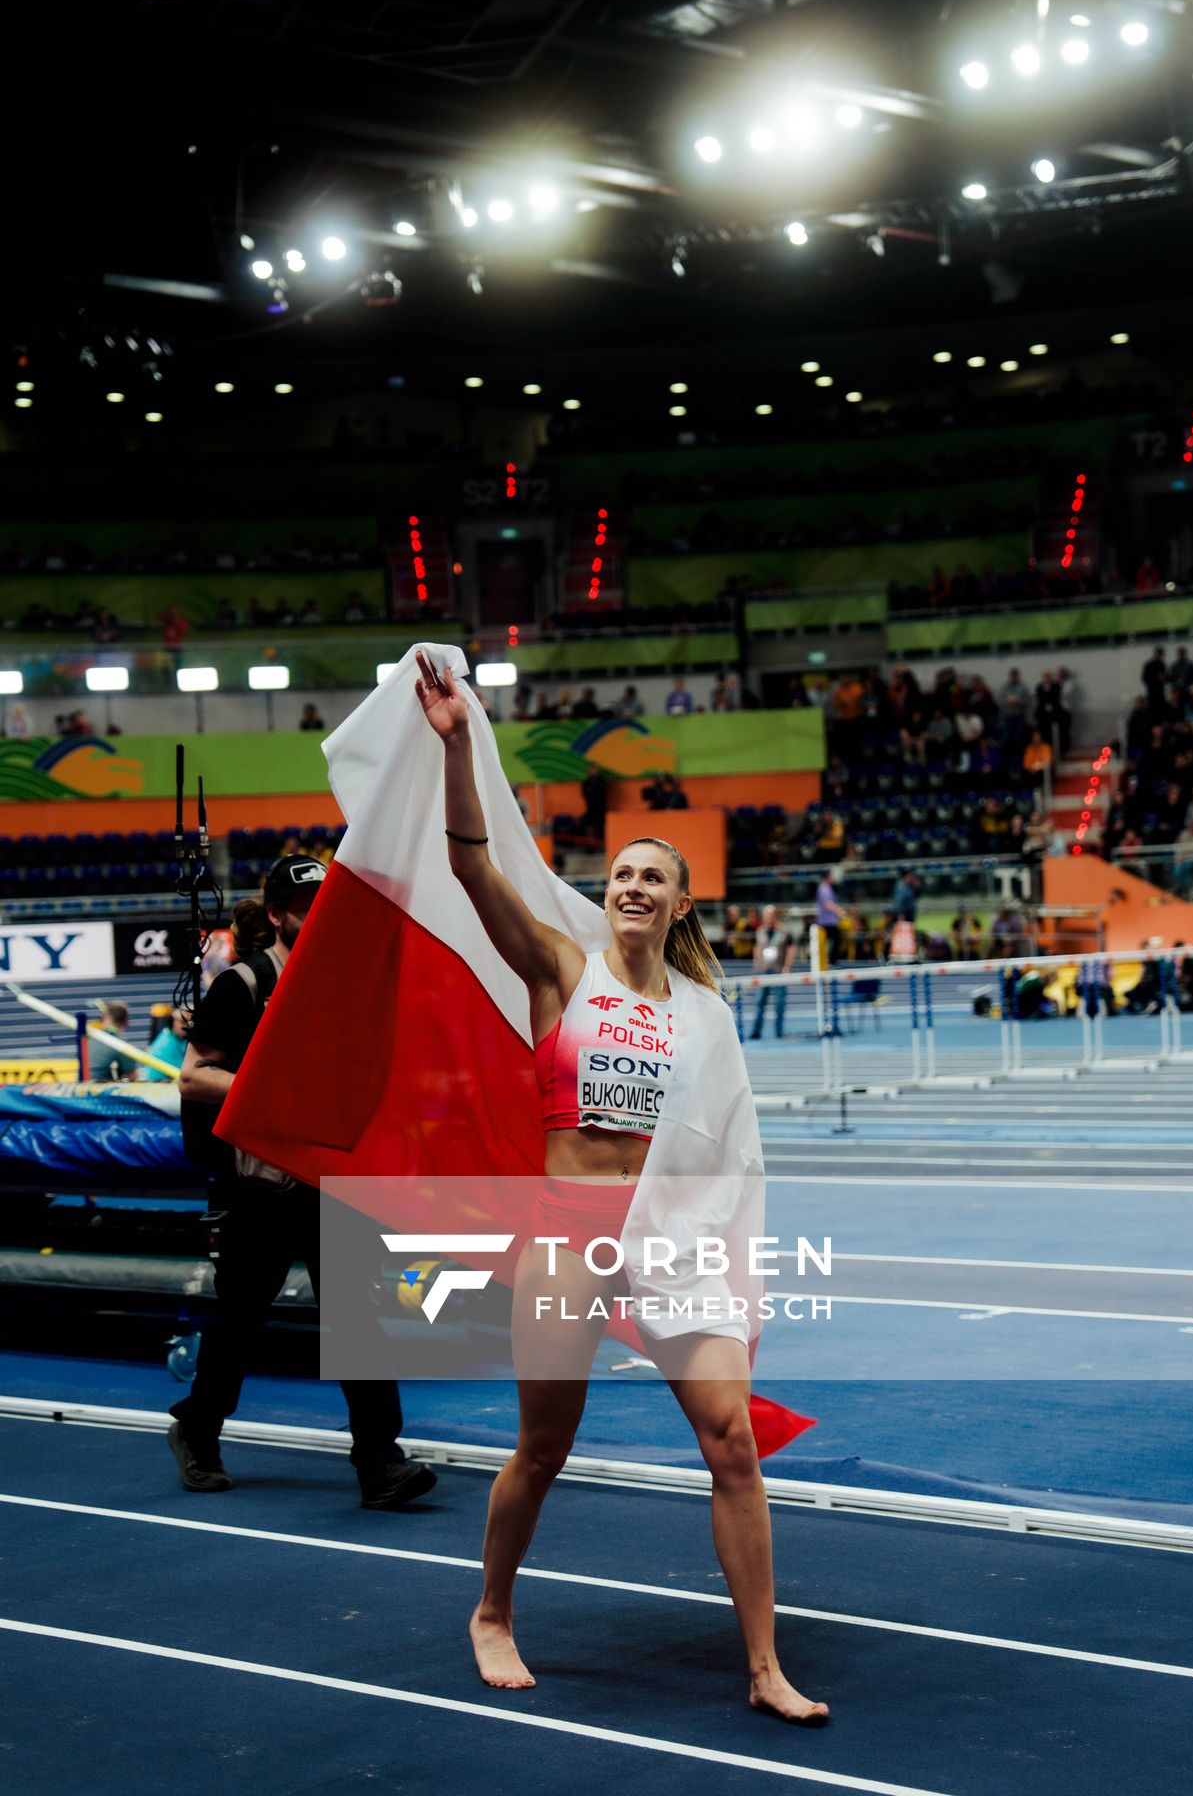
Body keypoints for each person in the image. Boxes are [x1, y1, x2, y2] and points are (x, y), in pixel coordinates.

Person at [413, 652, 826, 1722]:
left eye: (652, 875)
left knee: (729, 1441)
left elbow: (731, 1158)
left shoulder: (708, 1017)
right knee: (542, 1448)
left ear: (681, 901)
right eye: (620, 873)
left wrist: (732, 1269)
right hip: (568, 1237)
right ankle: (492, 1611)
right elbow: (469, 869)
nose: (632, 885)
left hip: (674, 1248)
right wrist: (461, 745)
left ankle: (762, 1665)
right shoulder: (562, 970)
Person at [169, 855, 435, 1509]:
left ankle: (381, 1462)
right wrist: (274, 1096)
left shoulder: (352, 985)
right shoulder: (245, 983)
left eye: (329, 908)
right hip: (260, 1189)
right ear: (280, 915)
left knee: (359, 1325)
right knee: (239, 1324)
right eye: (307, 908)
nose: (320, 920)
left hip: (333, 1186)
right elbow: (195, 1075)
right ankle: (197, 1430)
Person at [750, 905, 795, 1039]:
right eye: (765, 916)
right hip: (763, 971)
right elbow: (757, 948)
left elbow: (791, 949)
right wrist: (756, 964)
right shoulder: (760, 931)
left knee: (780, 1002)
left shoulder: (785, 932)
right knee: (759, 1002)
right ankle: (756, 1031)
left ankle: (779, 1031)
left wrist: (787, 967)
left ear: (775, 916)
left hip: (778, 971)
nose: (767, 918)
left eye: (770, 916)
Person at [90, 1002, 135, 1081]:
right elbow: (134, 1078)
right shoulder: (122, 1046)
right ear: (127, 1022)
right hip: (99, 1091)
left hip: (79, 1087)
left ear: (103, 1019)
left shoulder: (89, 1039)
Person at [815, 870, 843, 965]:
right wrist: (839, 911)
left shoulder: (828, 888)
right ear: (826, 877)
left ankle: (829, 959)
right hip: (826, 921)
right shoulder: (823, 889)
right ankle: (830, 960)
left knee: (831, 940)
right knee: (834, 939)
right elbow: (828, 904)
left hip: (829, 920)